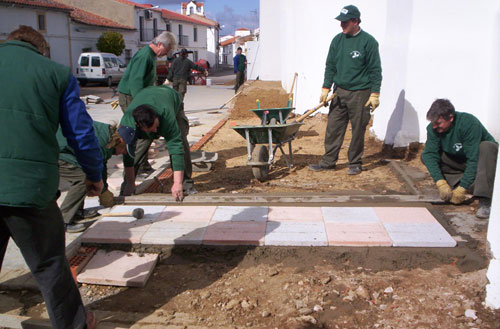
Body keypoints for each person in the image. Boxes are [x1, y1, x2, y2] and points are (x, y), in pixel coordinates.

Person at [0, 26, 102, 329]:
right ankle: (74, 324)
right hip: (29, 188)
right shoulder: (55, 73)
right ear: (42, 49)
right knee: (49, 263)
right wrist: (95, 175)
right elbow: (81, 134)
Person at [309, 5, 382, 175]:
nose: (341, 25)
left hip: (361, 93)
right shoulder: (337, 41)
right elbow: (330, 66)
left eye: (345, 22)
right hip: (339, 92)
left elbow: (375, 70)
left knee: (358, 129)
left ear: (355, 21)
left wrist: (375, 93)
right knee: (333, 127)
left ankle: (355, 163)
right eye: (340, 22)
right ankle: (328, 162)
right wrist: (325, 88)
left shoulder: (368, 42)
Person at [422, 99, 498, 219]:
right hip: (459, 163)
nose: (435, 126)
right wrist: (440, 182)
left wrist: (463, 187)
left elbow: (473, 159)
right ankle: (468, 184)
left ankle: (484, 199)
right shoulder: (433, 128)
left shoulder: (469, 124)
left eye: (439, 123)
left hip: (480, 163)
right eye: (433, 123)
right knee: (427, 156)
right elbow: (430, 154)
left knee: (487, 147)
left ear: (450, 118)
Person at [118, 31, 177, 174]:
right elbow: (135, 81)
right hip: (131, 97)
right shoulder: (144, 56)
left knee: (145, 133)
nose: (166, 54)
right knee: (142, 131)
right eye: (167, 50)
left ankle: (141, 166)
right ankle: (133, 169)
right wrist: (142, 105)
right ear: (160, 44)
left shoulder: (150, 55)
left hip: (137, 97)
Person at [119, 85, 187, 201]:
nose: (156, 132)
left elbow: (175, 147)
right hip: (147, 95)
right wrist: (130, 182)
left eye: (156, 126)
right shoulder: (128, 122)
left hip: (171, 97)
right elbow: (128, 154)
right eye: (151, 130)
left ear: (157, 117)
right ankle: (127, 186)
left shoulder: (166, 116)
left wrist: (177, 182)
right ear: (138, 126)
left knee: (182, 144)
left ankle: (186, 184)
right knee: (139, 149)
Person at [58, 122, 127, 233]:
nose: (122, 153)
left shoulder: (108, 136)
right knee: (83, 178)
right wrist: (103, 191)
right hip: (55, 151)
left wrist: (104, 190)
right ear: (121, 141)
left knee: (85, 175)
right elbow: (94, 169)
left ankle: (76, 212)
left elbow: (101, 166)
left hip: (64, 147)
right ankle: (62, 221)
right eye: (123, 149)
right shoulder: (102, 143)